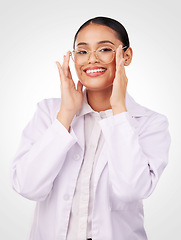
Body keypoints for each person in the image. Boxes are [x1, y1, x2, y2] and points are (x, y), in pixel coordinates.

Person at [11, 16, 171, 240]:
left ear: (126, 55)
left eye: (104, 49)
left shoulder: (150, 122)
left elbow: (130, 190)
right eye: (83, 51)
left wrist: (119, 111)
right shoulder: (49, 113)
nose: (92, 60)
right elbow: (27, 186)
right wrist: (65, 115)